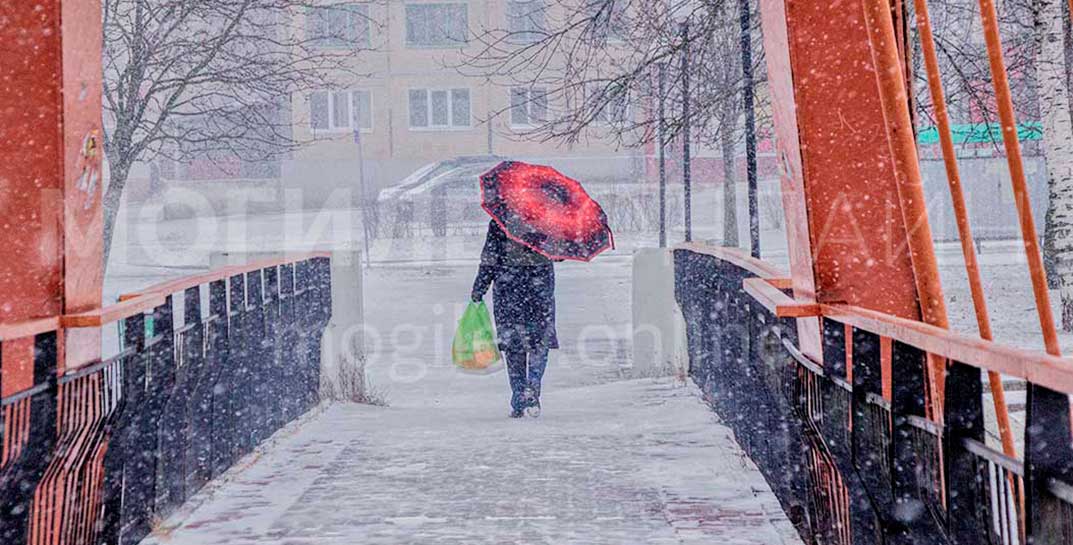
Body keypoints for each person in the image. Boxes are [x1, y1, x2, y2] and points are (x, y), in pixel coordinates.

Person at [471, 219, 558, 418]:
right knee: (539, 344)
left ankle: (519, 396)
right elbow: (558, 254)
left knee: (513, 346)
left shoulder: (500, 221)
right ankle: (532, 388)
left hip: (509, 291)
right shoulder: (548, 220)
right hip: (540, 290)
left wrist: (479, 288)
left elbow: (489, 259)